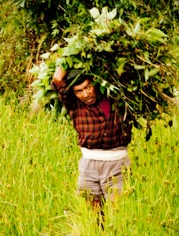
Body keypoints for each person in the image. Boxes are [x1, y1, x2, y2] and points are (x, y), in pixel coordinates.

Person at [51, 66, 132, 213]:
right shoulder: (75, 106)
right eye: (79, 91)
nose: (85, 94)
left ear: (95, 82)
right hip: (88, 167)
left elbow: (124, 73)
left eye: (88, 87)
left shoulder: (116, 99)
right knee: (93, 214)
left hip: (117, 165)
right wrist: (66, 59)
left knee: (119, 213)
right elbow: (58, 79)